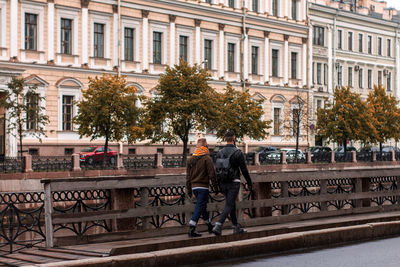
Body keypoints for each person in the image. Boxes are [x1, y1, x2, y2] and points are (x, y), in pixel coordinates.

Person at [212, 130, 252, 236]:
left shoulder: (220, 152)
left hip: (223, 182)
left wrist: (217, 184)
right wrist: (250, 183)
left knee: (231, 204)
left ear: (226, 139)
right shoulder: (238, 152)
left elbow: (217, 169)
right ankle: (218, 224)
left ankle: (235, 227)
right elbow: (244, 170)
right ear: (234, 139)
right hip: (234, 182)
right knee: (229, 204)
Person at [186, 138, 218, 237]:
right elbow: (212, 174)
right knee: (199, 206)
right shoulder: (207, 158)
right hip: (203, 187)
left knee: (203, 207)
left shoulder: (190, 159)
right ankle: (192, 227)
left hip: (194, 188)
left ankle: (209, 225)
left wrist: (188, 189)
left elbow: (188, 176)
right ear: (205, 146)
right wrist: (215, 187)